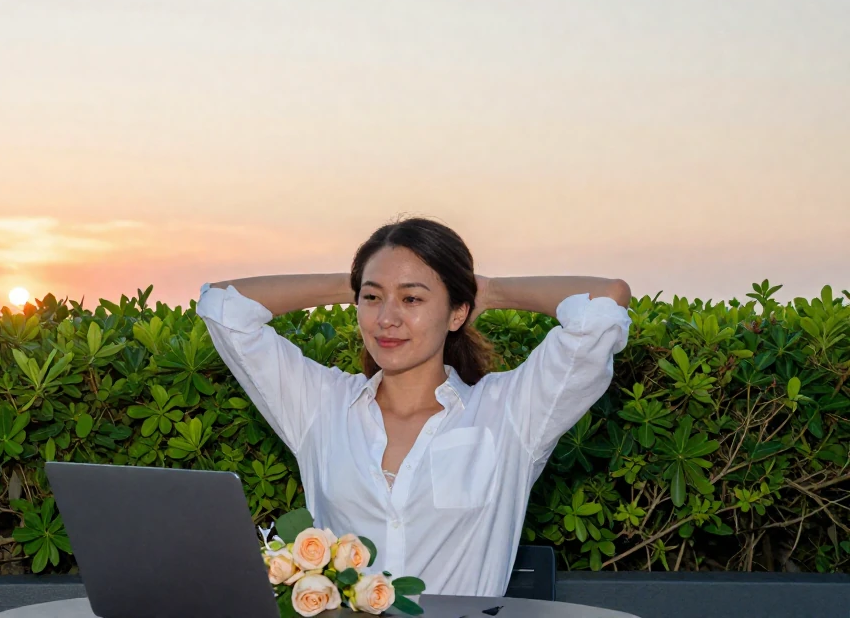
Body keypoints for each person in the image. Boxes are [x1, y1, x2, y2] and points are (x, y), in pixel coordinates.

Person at [195, 216, 632, 597]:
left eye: (412, 299)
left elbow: (605, 302)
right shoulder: (321, 406)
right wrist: (360, 277)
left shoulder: (511, 414)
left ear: (458, 313)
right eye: (372, 298)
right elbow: (224, 306)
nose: (387, 318)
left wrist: (491, 291)